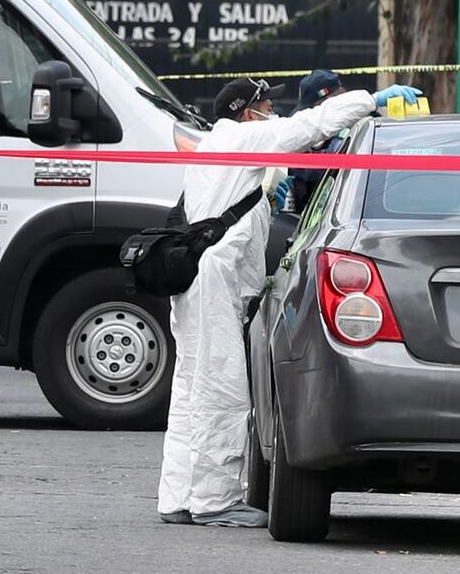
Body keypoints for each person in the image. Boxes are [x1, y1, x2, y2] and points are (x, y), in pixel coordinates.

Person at [157, 77, 422, 528]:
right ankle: (214, 502)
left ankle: (177, 496)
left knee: (189, 390)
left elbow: (229, 200)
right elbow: (309, 126)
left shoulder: (216, 145)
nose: (272, 112)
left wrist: (264, 196)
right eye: (265, 105)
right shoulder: (244, 137)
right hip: (214, 287)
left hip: (194, 284)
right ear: (247, 113)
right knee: (221, 390)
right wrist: (370, 100)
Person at [277, 70, 350, 212]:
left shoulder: (359, 127)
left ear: (329, 102)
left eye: (314, 111)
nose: (311, 119)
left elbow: (323, 167)